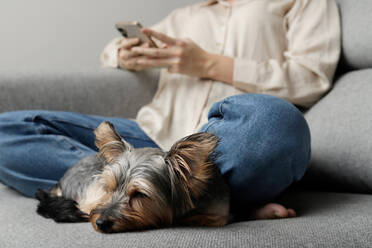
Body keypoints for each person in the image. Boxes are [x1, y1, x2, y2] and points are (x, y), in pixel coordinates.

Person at [0, 0, 340, 219]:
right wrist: (122, 53)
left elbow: (311, 77)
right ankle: (180, 201)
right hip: (150, 138)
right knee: (7, 130)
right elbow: (108, 53)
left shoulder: (301, 2)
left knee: (278, 122)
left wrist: (207, 63)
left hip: (228, 147)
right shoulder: (184, 16)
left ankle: (147, 195)